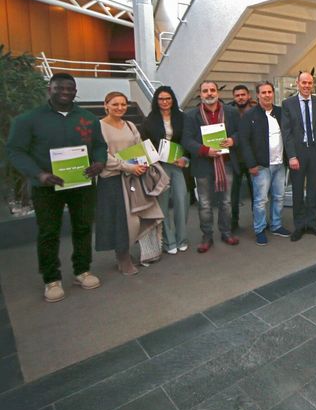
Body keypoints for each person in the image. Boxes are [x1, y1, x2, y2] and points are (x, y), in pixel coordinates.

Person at [7, 73, 106, 303]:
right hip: (46, 186)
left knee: (82, 227)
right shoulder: (28, 119)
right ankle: (51, 279)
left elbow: (100, 146)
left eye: (70, 88)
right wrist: (39, 174)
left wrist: (99, 162)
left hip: (82, 183)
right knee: (49, 232)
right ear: (49, 89)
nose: (65, 92)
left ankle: (82, 270)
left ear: (75, 90)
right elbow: (15, 151)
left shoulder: (88, 118)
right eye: (59, 88)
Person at [96, 91, 166, 275]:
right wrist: (127, 167)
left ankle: (129, 251)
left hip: (134, 177)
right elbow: (100, 155)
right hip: (112, 179)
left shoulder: (129, 125)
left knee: (135, 218)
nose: (120, 108)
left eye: (123, 104)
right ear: (106, 105)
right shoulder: (99, 127)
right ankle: (123, 257)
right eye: (115, 104)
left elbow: (140, 147)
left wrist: (143, 164)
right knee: (120, 220)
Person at [182, 80, 241, 252]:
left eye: (212, 90)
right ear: (200, 94)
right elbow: (187, 140)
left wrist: (233, 140)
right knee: (205, 204)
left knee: (226, 202)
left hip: (226, 163)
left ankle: (226, 232)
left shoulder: (231, 112)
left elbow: (240, 132)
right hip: (203, 164)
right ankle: (207, 236)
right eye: (205, 91)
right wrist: (204, 150)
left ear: (218, 93)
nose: (209, 93)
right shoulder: (191, 115)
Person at [238, 81, 290, 246]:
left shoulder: (281, 112)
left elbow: (288, 135)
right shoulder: (249, 115)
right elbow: (244, 142)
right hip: (261, 166)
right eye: (264, 92)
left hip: (280, 164)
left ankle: (276, 225)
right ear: (258, 95)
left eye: (270, 92)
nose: (267, 95)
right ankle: (260, 229)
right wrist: (251, 164)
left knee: (279, 197)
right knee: (260, 201)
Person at [281, 72, 316, 240]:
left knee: (313, 190)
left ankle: (312, 223)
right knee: (297, 190)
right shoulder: (288, 104)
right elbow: (286, 133)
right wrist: (291, 156)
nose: (307, 86)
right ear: (297, 83)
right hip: (298, 153)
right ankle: (299, 225)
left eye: (310, 83)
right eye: (304, 82)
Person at [141, 86, 190, 254]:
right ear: (156, 101)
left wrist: (185, 158)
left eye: (168, 98)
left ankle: (182, 238)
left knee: (181, 201)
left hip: (178, 166)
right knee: (162, 205)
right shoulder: (149, 120)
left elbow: (188, 139)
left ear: (173, 100)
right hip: (159, 167)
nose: (165, 102)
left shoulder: (182, 118)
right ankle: (169, 242)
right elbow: (145, 144)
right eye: (161, 99)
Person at [230, 84, 254, 231]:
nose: (240, 98)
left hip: (252, 159)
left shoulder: (256, 112)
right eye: (237, 95)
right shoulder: (229, 113)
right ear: (234, 98)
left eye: (243, 94)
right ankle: (233, 223)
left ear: (248, 96)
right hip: (234, 159)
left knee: (256, 194)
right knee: (234, 194)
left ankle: (259, 222)